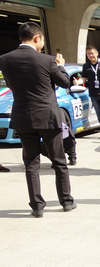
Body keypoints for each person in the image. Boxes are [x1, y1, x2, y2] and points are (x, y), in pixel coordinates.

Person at [0, 22, 75, 217]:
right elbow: (65, 82)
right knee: (59, 160)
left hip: (23, 116)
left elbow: (10, 84)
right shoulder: (47, 60)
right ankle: (66, 201)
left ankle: (37, 206)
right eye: (41, 39)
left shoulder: (5, 60)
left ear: (20, 38)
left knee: (31, 163)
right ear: (36, 38)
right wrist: (60, 66)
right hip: (47, 116)